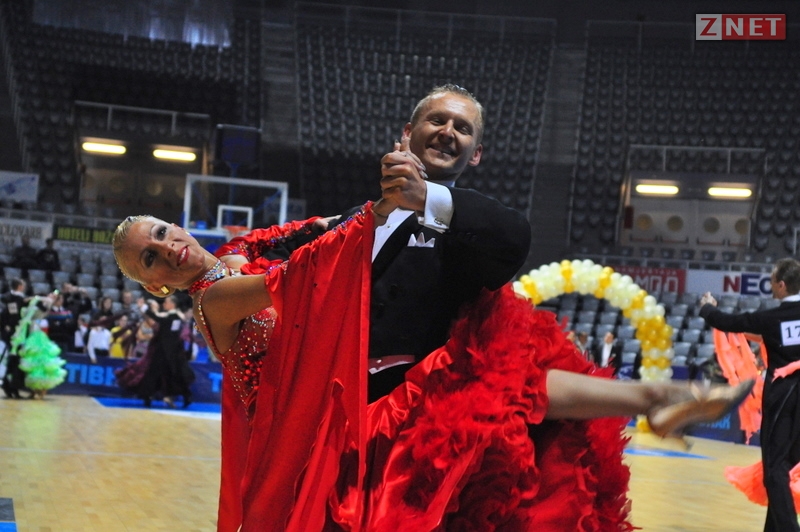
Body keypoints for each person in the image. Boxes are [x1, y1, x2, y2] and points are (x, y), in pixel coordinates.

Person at [113, 211, 753, 532]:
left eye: (163, 232)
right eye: (151, 257)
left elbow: (299, 231)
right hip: (314, 436)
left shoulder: (233, 252)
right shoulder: (215, 299)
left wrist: (366, 211)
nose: (169, 247)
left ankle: (651, 396)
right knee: (474, 378)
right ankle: (651, 397)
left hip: (344, 397)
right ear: (154, 285)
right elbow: (298, 276)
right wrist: (372, 221)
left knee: (490, 377)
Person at [221, 85, 532, 402]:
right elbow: (274, 256)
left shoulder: (475, 226)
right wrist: (238, 268)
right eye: (437, 120)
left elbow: (515, 237)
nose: (448, 132)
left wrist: (424, 196)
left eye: (462, 128)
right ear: (408, 132)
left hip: (412, 411)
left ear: (476, 153)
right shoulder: (352, 218)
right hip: (326, 401)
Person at [699, 257, 800, 532]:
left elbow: (729, 321)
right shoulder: (774, 322)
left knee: (775, 470)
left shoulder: (772, 318)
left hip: (784, 398)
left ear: (782, 285)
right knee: (788, 468)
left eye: (772, 281)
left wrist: (707, 308)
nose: (771, 286)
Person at [1, 279, 30, 398]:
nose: (25, 287)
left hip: (20, 335)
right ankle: (10, 387)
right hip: (14, 336)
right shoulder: (9, 298)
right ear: (19, 286)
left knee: (15, 362)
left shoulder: (21, 298)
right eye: (23, 285)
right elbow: (12, 317)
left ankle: (12, 387)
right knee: (13, 361)